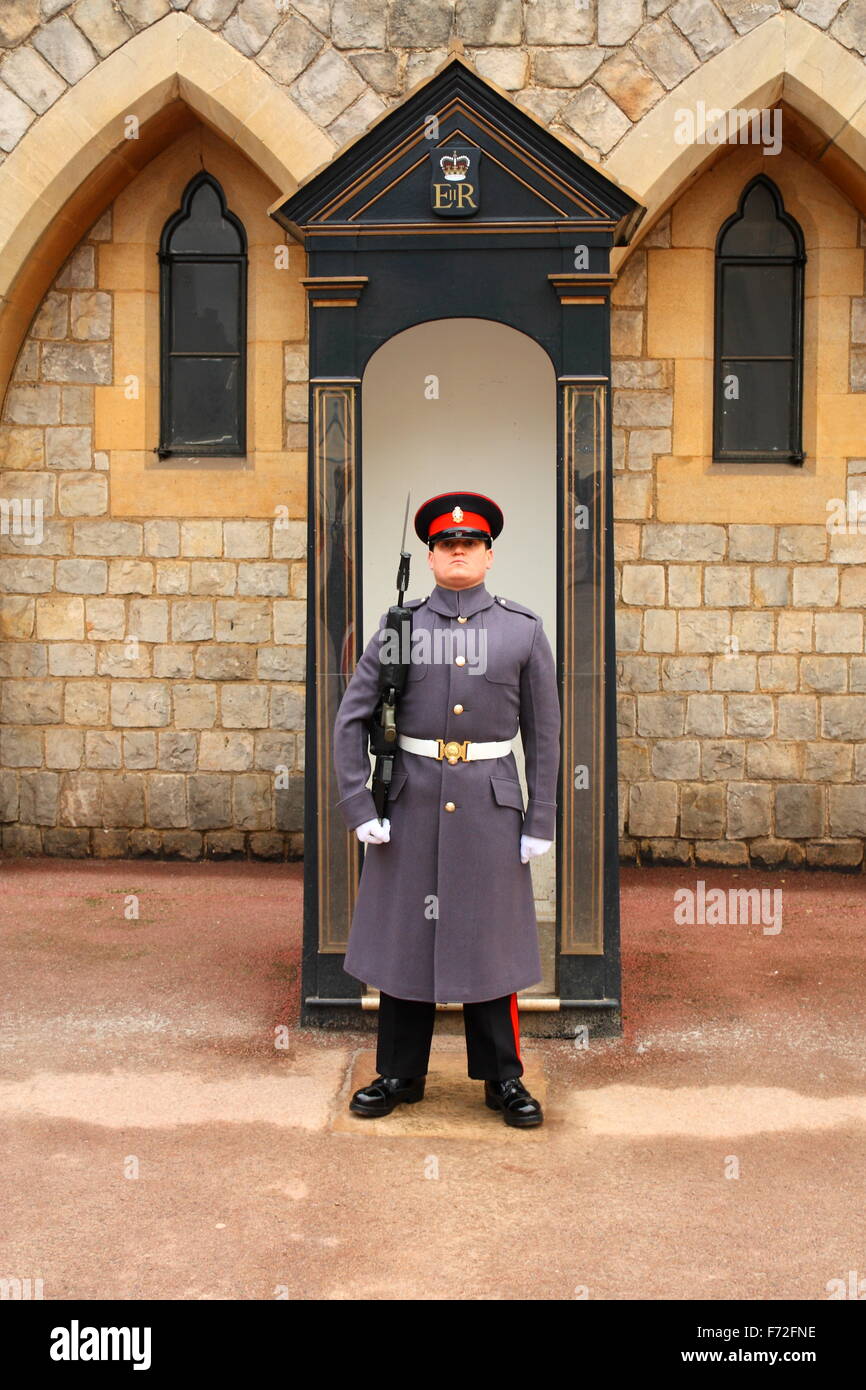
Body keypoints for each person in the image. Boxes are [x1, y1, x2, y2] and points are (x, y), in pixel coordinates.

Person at [332, 491, 561, 1128]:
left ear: (488, 555)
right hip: (411, 799)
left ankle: (503, 1080)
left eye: (470, 544)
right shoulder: (399, 628)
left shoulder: (522, 630)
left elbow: (545, 734)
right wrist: (359, 803)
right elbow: (351, 719)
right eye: (446, 545)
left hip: (490, 805)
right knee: (407, 938)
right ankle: (400, 1073)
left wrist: (539, 818)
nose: (458, 552)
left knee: (491, 940)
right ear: (431, 558)